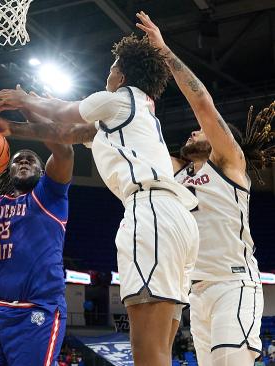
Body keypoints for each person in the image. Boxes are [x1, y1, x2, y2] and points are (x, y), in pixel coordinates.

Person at [0, 33, 199, 366]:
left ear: (122, 74)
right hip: (178, 220)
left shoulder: (119, 98)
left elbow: (63, 111)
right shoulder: (131, 112)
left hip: (152, 213)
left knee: (146, 350)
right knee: (161, 348)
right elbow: (64, 134)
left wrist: (22, 98)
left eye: (112, 67)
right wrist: (8, 128)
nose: (107, 74)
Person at [136, 11, 274, 366]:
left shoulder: (229, 163)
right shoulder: (177, 174)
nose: (192, 133)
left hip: (234, 284)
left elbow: (202, 105)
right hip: (194, 295)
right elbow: (131, 145)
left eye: (200, 132)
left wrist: (163, 51)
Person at [0, 118, 74, 366]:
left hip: (38, 310)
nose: (24, 162)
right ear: (9, 170)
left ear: (42, 172)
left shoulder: (50, 195)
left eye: (31, 160)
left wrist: (32, 116)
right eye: (18, 160)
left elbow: (65, 152)